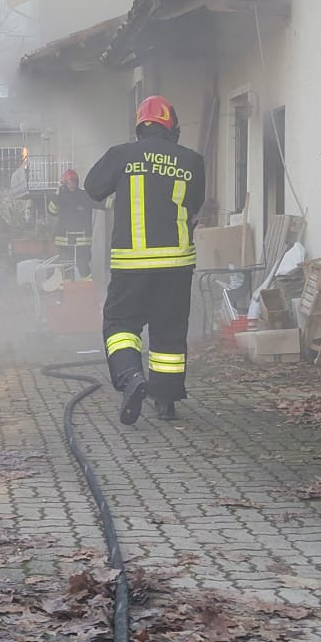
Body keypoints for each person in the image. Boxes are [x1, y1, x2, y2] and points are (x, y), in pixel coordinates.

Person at [84, 95, 207, 424]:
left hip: (132, 265)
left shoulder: (121, 155)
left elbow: (93, 188)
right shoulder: (192, 160)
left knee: (120, 325)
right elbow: (194, 207)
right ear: (171, 125)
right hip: (177, 266)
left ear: (140, 125)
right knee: (169, 331)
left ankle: (131, 377)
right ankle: (165, 402)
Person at [48, 168, 97, 280]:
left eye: (74, 182)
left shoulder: (84, 195)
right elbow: (52, 211)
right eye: (69, 182)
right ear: (64, 184)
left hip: (82, 239)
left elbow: (99, 202)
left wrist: (114, 203)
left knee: (83, 265)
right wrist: (56, 197)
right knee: (66, 266)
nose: (72, 185)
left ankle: (88, 291)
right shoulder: (59, 197)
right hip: (64, 240)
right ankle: (68, 293)